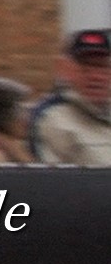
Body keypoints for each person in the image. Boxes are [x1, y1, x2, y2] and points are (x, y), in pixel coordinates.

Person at [28, 28, 111, 165]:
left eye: (102, 66)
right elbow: (57, 181)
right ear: (65, 69)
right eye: (86, 67)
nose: (95, 76)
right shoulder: (52, 120)